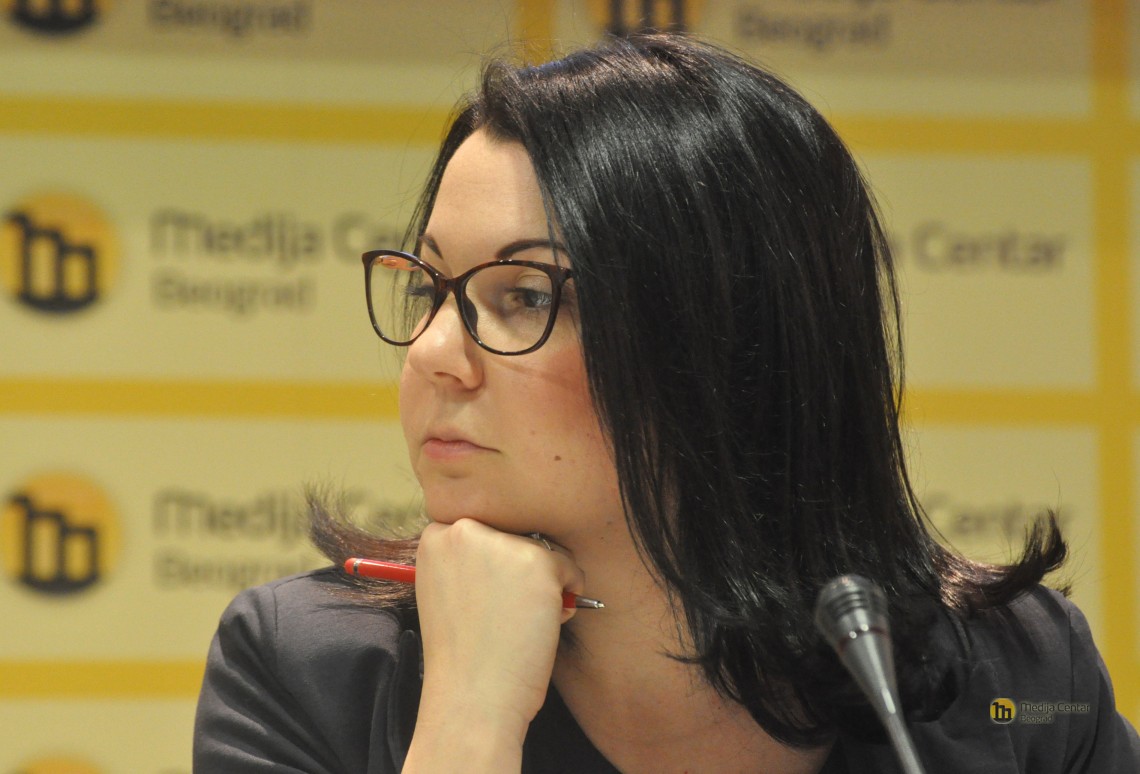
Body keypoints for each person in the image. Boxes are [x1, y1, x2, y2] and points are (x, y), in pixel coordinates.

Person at [193, 33, 1139, 773]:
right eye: (429, 289)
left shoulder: (1017, 677)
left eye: (525, 295)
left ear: (723, 343)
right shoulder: (313, 667)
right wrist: (469, 721)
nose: (435, 354)